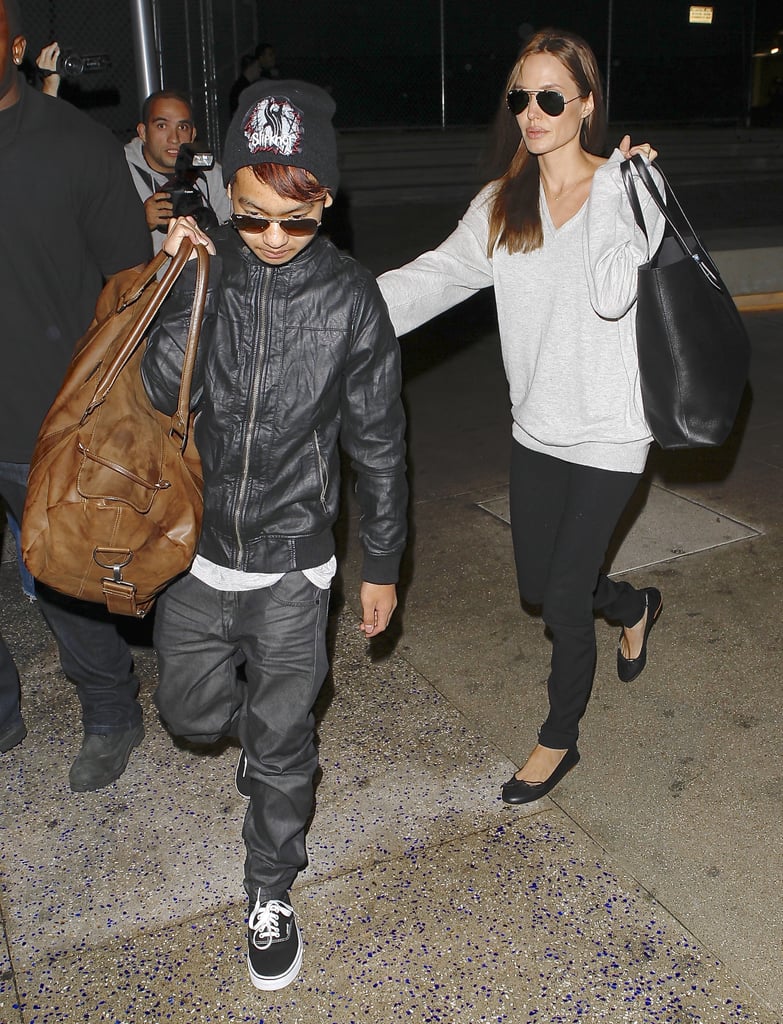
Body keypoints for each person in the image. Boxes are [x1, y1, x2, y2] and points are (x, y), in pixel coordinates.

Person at [141, 80, 407, 991]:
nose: (272, 240)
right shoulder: (210, 265)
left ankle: (269, 887)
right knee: (189, 715)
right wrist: (182, 281)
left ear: (325, 202)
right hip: (200, 556)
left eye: (295, 221)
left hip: (297, 563)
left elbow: (379, 443)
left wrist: (379, 564)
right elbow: (154, 389)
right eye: (251, 219)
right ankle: (259, 737)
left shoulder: (351, 301)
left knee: (283, 742)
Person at [378, 28, 666, 805]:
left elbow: (613, 292)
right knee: (542, 585)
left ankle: (556, 739)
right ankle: (634, 604)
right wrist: (335, 312)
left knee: (563, 599)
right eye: (520, 98)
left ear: (584, 106)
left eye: (549, 98)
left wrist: (612, 189)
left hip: (611, 428)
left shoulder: (634, 188)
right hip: (536, 427)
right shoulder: (501, 204)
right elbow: (434, 276)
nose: (531, 113)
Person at [0, 0, 152, 790]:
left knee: (63, 579)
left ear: (17, 45)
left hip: (46, 418)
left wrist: (113, 405)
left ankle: (110, 713)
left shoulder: (77, 148)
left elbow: (131, 286)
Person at [124, 90, 231, 253]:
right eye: (162, 126)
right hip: (149, 278)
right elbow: (97, 245)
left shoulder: (210, 172)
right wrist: (139, 224)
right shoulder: (119, 174)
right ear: (143, 132)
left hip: (205, 274)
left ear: (193, 134)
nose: (174, 138)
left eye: (182, 127)